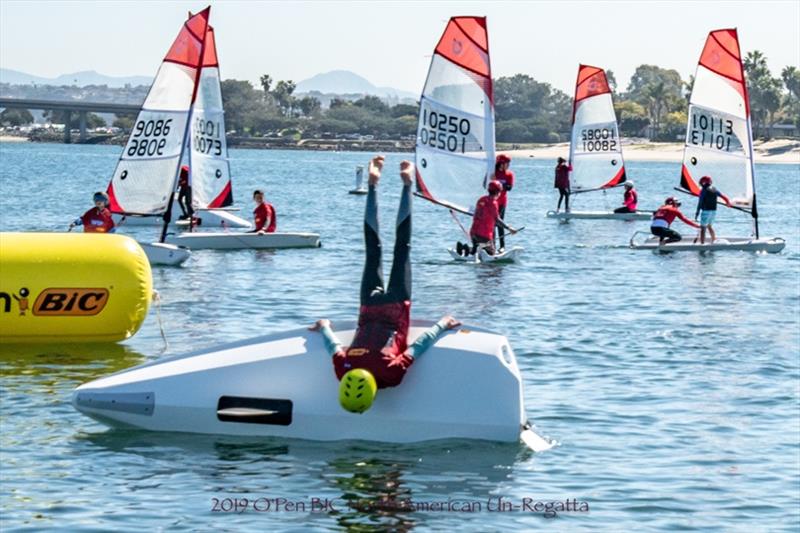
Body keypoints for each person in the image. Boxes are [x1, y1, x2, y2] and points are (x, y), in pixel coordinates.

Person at [310, 155, 461, 414]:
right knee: (373, 248)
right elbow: (333, 345)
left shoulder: (392, 376)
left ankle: (406, 183)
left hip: (397, 303)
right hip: (368, 304)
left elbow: (419, 345)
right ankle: (373, 184)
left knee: (402, 247)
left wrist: (442, 324)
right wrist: (324, 326)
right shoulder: (343, 369)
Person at [456, 180, 517, 257]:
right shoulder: (494, 203)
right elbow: (497, 220)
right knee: (491, 253)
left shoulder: (481, 199)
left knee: (478, 248)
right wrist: (509, 228)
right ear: (498, 192)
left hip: (473, 233)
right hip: (484, 236)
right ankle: (469, 249)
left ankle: (465, 248)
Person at [694, 176, 731, 244]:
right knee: (709, 226)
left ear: (703, 182)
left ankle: (702, 244)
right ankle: (714, 241)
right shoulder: (714, 189)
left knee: (703, 228)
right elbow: (724, 197)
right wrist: (728, 203)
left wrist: (697, 213)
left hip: (706, 211)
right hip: (713, 211)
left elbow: (700, 203)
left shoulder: (703, 190)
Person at [494, 154, 514, 250]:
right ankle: (492, 245)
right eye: (507, 163)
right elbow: (484, 183)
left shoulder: (509, 174)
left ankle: (502, 246)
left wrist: (499, 184)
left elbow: (509, 187)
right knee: (491, 224)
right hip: (492, 202)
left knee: (499, 223)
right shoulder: (493, 172)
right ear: (501, 164)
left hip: (502, 202)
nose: (508, 165)